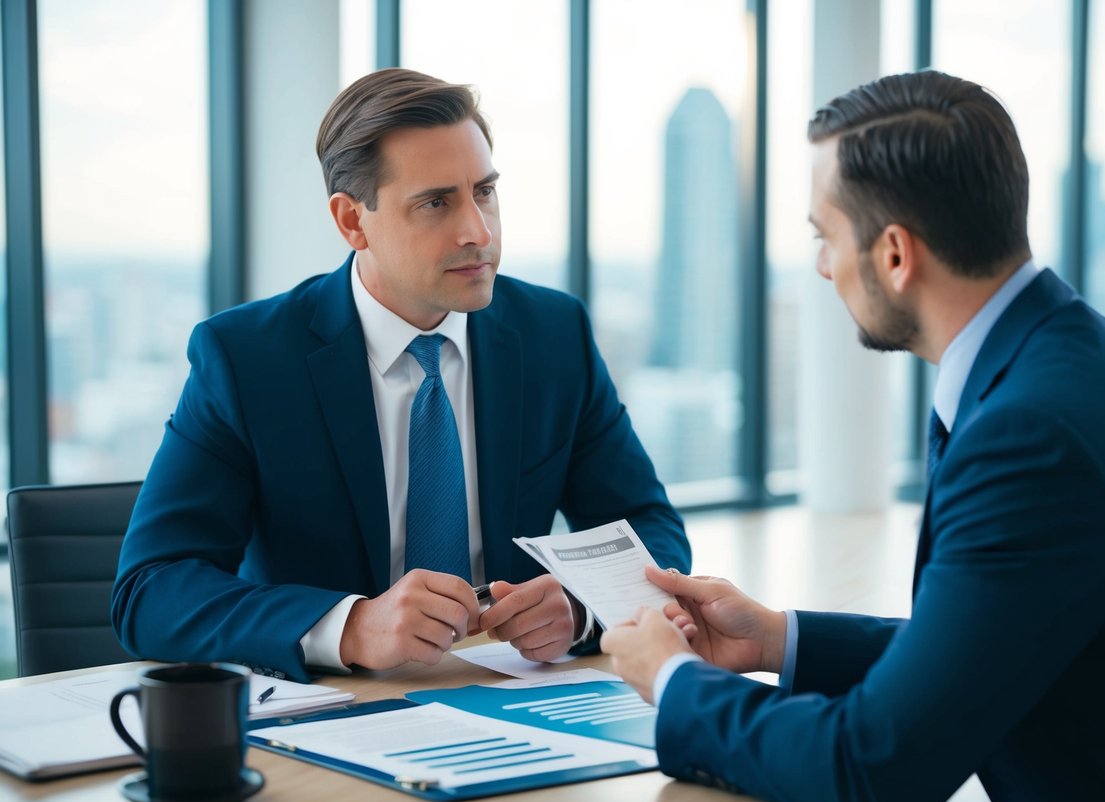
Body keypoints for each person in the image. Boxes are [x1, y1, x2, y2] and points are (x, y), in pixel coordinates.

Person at [601, 70, 1105, 802]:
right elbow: (998, 642)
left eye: (825, 237)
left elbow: (874, 766)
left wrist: (672, 679)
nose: (822, 267)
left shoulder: (1032, 438)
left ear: (893, 254)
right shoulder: (1098, 362)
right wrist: (776, 637)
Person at [112, 68, 690, 683]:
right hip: (327, 717)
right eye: (437, 202)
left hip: (508, 699)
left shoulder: (553, 335)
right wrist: (352, 625)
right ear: (352, 222)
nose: (479, 231)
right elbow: (150, 590)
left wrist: (580, 604)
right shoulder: (247, 358)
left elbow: (650, 528)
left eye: (485, 192)